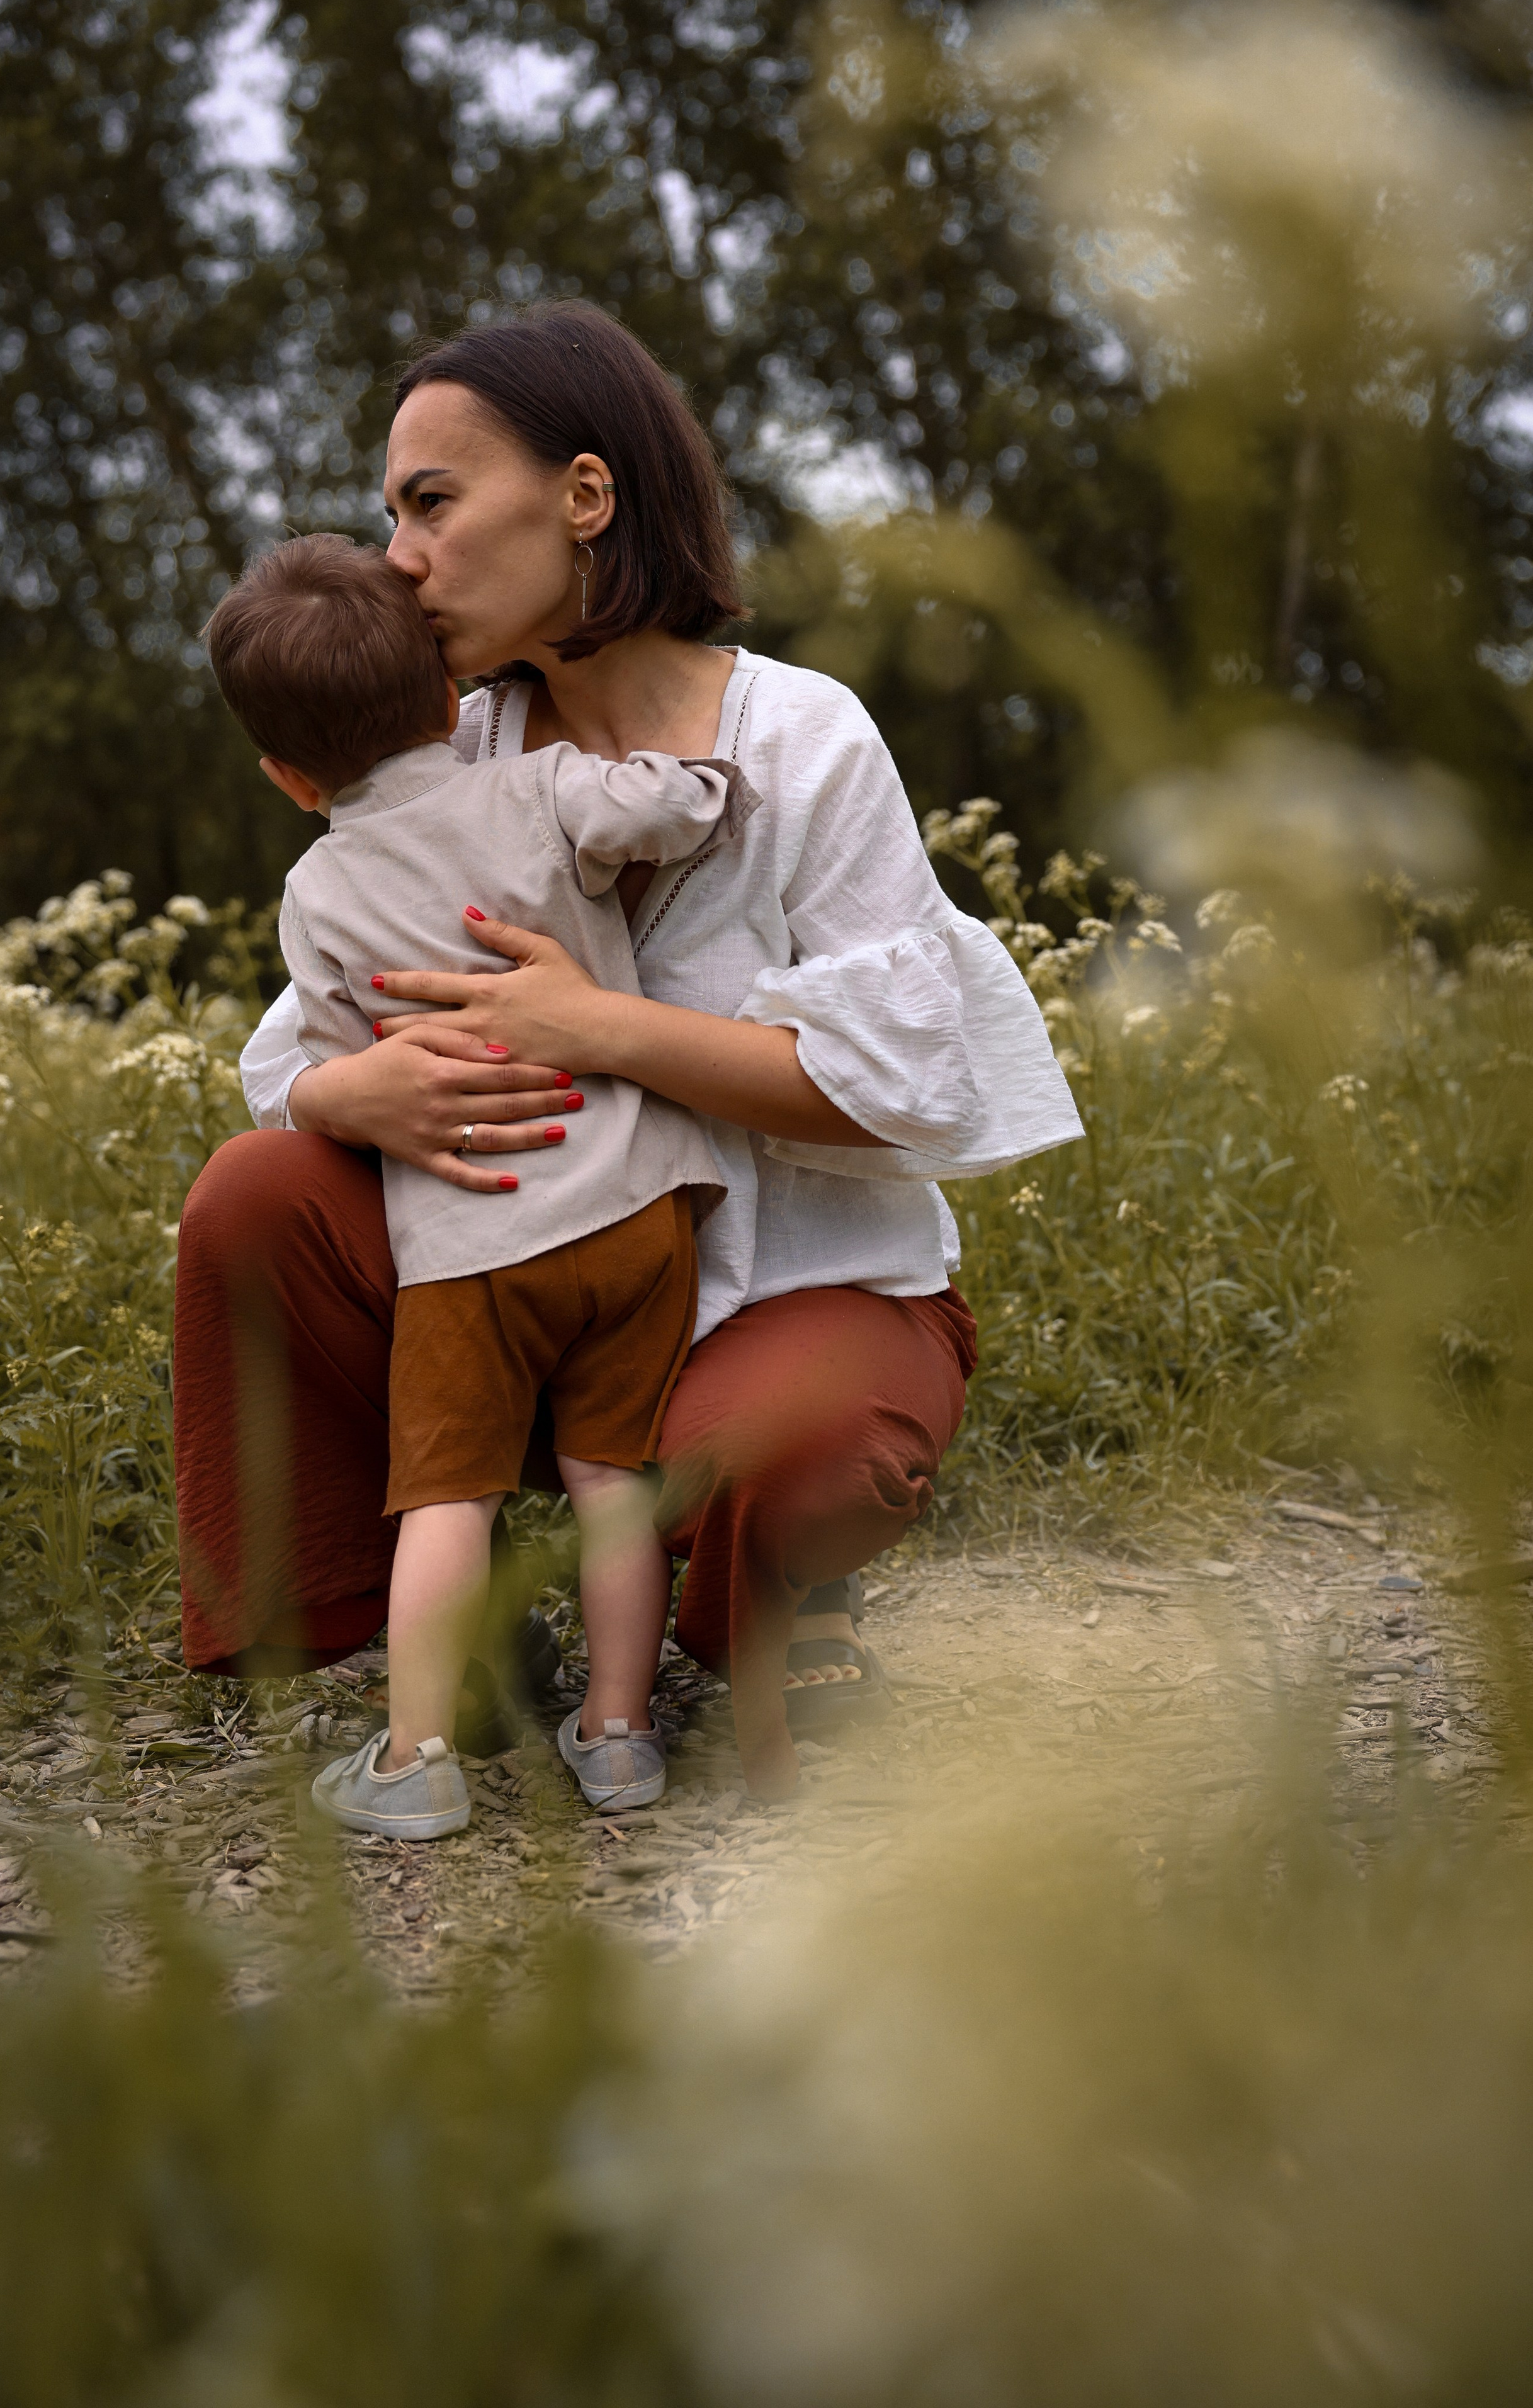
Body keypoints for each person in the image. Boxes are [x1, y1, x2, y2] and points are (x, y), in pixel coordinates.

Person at [174, 302, 1082, 1802]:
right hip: (530, 1296)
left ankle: (782, 1610)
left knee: (806, 1449)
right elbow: (291, 1060)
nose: (398, 555)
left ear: (584, 498)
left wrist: (596, 1028)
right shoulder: (447, 750)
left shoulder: (803, 739)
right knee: (254, 1198)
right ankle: (450, 1630)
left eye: (431, 503)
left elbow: (901, 1095)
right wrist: (358, 1092)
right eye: (388, 514)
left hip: (786, 1296)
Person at [204, 531, 745, 1832]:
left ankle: (417, 1759)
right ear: (454, 706)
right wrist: (698, 776)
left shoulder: (318, 889)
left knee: (446, 1494)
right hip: (633, 1209)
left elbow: (329, 1076)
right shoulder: (539, 785)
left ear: (285, 776)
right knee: (612, 1477)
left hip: (469, 1240)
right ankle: (619, 1736)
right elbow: (671, 809)